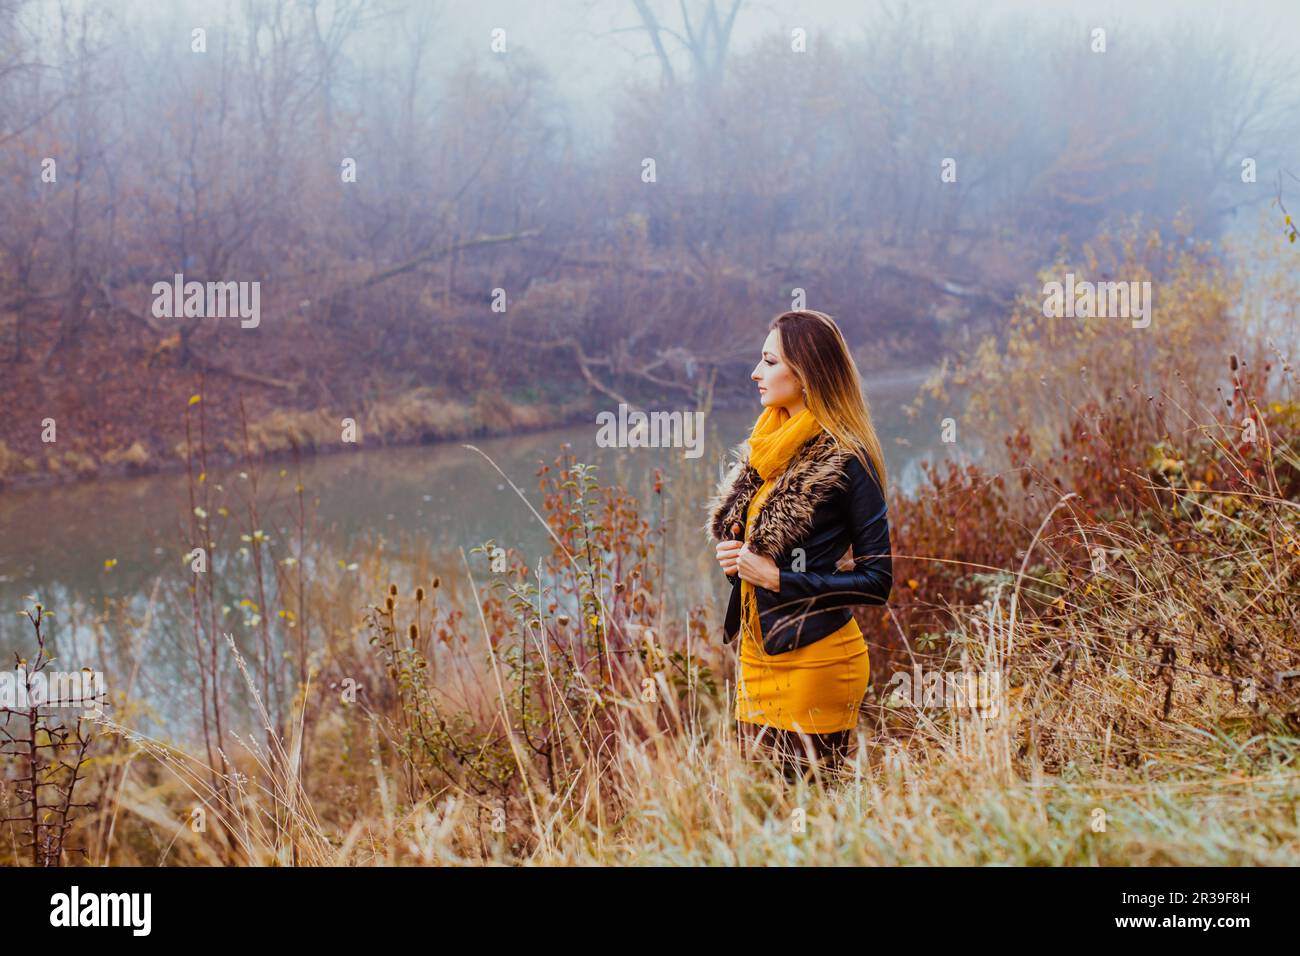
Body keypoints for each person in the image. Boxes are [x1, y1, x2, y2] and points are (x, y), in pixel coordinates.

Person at [704, 310, 893, 783]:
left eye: (769, 362)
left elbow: (877, 581)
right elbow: (769, 552)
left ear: (805, 373)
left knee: (807, 809)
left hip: (818, 658)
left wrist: (779, 579)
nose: (755, 372)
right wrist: (738, 563)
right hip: (757, 654)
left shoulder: (848, 458)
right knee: (761, 808)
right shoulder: (767, 448)